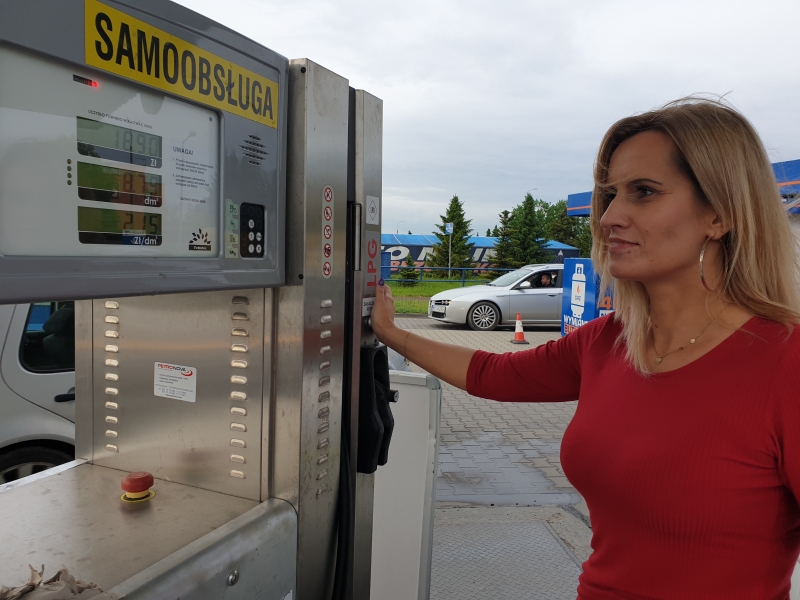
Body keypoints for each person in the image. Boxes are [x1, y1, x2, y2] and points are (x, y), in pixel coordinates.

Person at [371, 98, 800, 599]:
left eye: (644, 192)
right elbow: (493, 374)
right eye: (610, 195)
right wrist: (390, 332)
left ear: (720, 214)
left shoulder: (785, 362)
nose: (609, 216)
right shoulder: (608, 341)